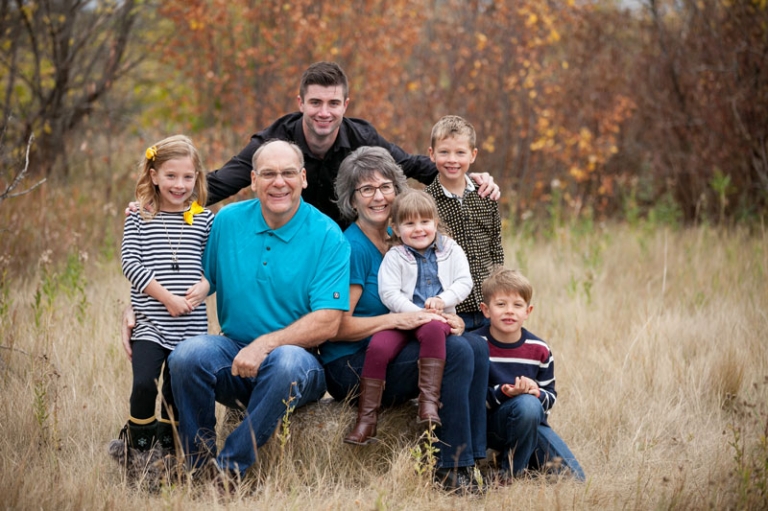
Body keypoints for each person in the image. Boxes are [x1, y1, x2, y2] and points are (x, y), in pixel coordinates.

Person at [167, 140, 350, 480]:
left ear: (303, 178)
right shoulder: (226, 222)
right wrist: (143, 210)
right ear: (253, 180)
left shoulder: (328, 235)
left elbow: (328, 321)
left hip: (298, 361)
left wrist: (265, 344)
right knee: (187, 356)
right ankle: (196, 466)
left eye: (287, 173)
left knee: (285, 362)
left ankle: (228, 470)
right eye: (268, 174)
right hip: (233, 353)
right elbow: (178, 246)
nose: (278, 182)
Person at [321, 146, 488, 492]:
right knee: (458, 353)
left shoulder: (401, 242)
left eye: (385, 187)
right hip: (353, 365)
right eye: (366, 189)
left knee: (475, 345)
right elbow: (337, 326)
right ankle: (450, 469)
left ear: (398, 192)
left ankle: (474, 457)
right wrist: (396, 321)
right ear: (353, 201)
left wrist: (448, 318)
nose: (378, 196)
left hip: (396, 352)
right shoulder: (351, 248)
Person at [205, 61, 500, 226]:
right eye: (315, 102)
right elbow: (220, 183)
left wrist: (470, 178)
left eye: (333, 103)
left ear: (345, 104)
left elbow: (412, 166)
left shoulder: (362, 138)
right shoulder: (273, 142)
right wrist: (164, 198)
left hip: (347, 242)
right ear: (300, 103)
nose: (324, 112)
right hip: (288, 238)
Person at [344, 190, 473, 445]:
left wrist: (443, 301)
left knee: (434, 332)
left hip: (438, 319)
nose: (418, 229)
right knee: (378, 346)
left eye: (425, 222)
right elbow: (388, 293)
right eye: (409, 223)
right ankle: (367, 420)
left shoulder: (451, 249)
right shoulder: (395, 256)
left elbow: (464, 282)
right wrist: (416, 314)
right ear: (395, 228)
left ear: (435, 222)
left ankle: (428, 405)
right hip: (402, 318)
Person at [119, 135, 213, 452]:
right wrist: (166, 298)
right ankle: (139, 449)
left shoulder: (204, 220)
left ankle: (170, 453)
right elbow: (129, 263)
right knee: (145, 383)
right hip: (150, 322)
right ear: (154, 175)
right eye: (171, 176)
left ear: (197, 178)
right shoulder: (139, 216)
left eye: (188, 177)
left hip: (190, 328)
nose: (179, 184)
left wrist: (205, 285)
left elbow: (214, 269)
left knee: (176, 394)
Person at [466, 268, 585, 481]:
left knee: (575, 480)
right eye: (501, 304)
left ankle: (522, 458)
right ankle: (509, 476)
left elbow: (550, 398)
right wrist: (505, 392)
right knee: (527, 404)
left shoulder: (539, 349)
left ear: (528, 311)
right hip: (489, 426)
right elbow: (470, 398)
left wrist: (536, 392)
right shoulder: (474, 344)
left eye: (517, 305)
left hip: (530, 424)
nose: (509, 311)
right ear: (485, 310)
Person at [425, 115, 504, 331]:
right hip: (452, 309)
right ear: (431, 154)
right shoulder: (426, 203)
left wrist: (499, 295)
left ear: (473, 155)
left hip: (488, 304)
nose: (452, 159)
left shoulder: (485, 196)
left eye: (460, 152)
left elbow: (495, 248)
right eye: (444, 152)